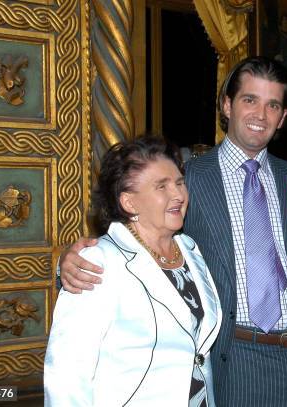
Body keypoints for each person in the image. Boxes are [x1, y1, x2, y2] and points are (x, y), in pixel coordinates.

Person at [57, 57, 287, 407]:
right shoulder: (187, 181)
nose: (261, 114)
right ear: (226, 105)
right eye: (249, 100)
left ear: (283, 118)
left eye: (272, 104)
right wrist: (71, 263)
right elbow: (133, 242)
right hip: (236, 363)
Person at [44, 136, 222, 406]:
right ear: (129, 203)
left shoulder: (190, 250)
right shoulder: (98, 262)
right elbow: (67, 372)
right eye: (161, 186)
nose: (178, 194)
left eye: (179, 183)